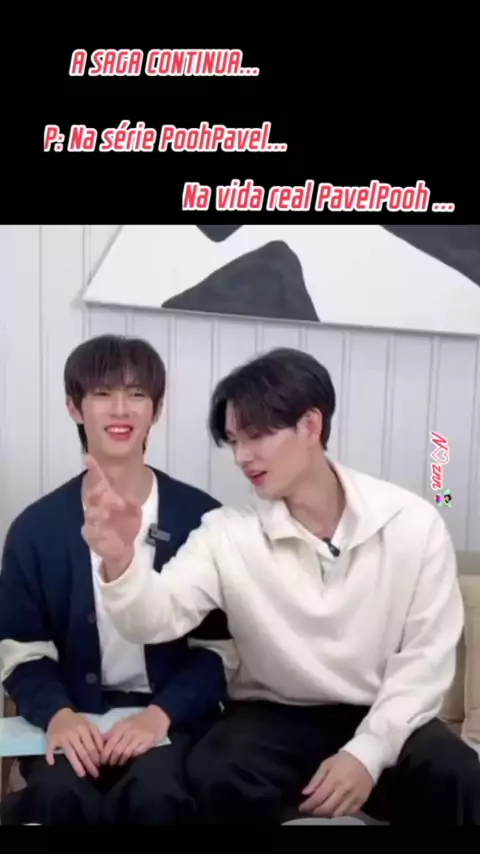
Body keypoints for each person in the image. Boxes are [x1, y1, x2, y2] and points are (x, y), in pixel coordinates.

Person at [82, 347, 480, 826]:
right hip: (272, 716)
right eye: (233, 441)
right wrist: (121, 559)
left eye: (256, 436)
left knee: (460, 775)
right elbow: (154, 618)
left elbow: (425, 662)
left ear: (310, 425)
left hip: (384, 711)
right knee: (213, 771)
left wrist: (367, 753)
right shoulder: (226, 532)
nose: (241, 457)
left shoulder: (412, 523)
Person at [0, 334, 235, 826]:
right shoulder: (35, 529)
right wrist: (59, 714)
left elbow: (219, 652)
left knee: (157, 795)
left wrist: (160, 715)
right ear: (74, 406)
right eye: (103, 393)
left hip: (170, 718)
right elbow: (21, 651)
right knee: (57, 794)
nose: (121, 409)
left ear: (157, 409)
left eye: (137, 394)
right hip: (71, 714)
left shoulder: (202, 519)